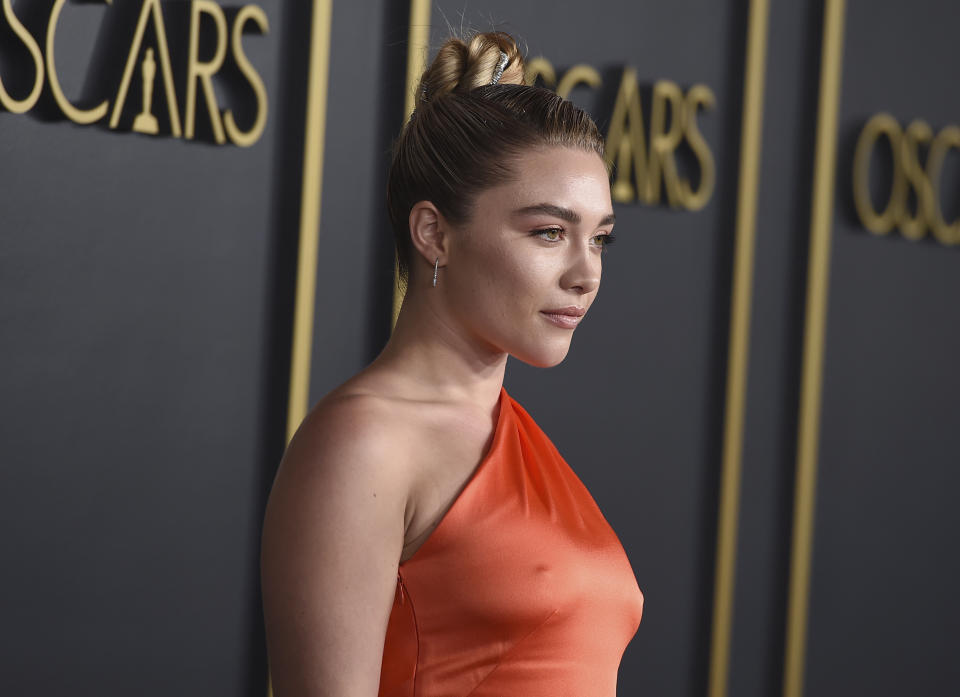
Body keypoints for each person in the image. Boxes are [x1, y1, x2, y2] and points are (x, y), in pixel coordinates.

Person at [260, 29, 644, 697]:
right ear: (434, 232)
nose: (587, 273)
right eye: (549, 232)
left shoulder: (516, 435)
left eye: (600, 238)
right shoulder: (364, 444)